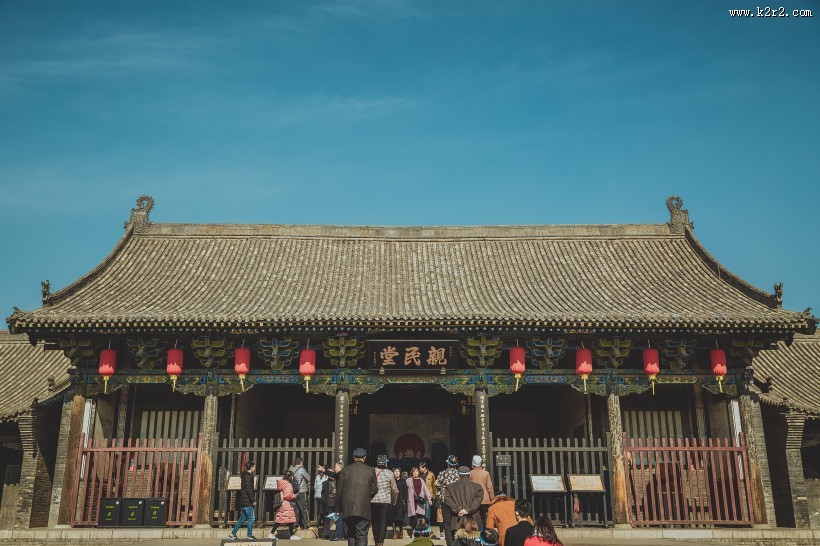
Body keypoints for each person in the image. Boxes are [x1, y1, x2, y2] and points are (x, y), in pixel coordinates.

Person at [336, 447, 378, 546]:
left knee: (351, 534)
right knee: (362, 535)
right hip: (363, 508)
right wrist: (366, 497)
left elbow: (339, 491)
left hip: (347, 508)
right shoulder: (370, 470)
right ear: (365, 457)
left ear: (353, 457)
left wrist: (338, 508)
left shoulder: (345, 470)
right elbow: (374, 490)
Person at [443, 467, 483, 538]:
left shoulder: (450, 487)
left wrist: (459, 509)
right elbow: (477, 502)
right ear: (469, 475)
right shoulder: (478, 487)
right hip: (473, 521)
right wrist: (467, 510)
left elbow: (447, 499)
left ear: (458, 476)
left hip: (457, 520)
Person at [371, 454, 398, 546]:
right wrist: (394, 500)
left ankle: (375, 541)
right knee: (383, 522)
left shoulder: (372, 471)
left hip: (373, 500)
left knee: (374, 522)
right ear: (386, 462)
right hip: (385, 501)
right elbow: (394, 489)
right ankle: (380, 542)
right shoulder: (389, 473)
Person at [435, 455, 460, 546]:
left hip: (445, 500)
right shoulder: (459, 474)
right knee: (457, 521)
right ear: (456, 464)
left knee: (446, 523)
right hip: (456, 501)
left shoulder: (443, 473)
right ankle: (456, 542)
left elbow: (437, 484)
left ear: (448, 464)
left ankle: (449, 543)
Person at [228, 461, 257, 540]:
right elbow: (249, 490)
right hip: (247, 501)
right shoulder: (249, 477)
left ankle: (233, 533)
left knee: (242, 518)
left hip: (243, 501)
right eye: (254, 467)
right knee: (251, 518)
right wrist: (253, 500)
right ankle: (249, 535)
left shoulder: (244, 475)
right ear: (251, 468)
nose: (254, 468)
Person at [268, 471, 301, 540]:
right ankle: (291, 535)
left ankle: (272, 534)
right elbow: (287, 495)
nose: (293, 477)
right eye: (292, 476)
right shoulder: (288, 484)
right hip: (286, 503)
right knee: (288, 519)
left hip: (283, 503)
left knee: (281, 519)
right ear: (289, 477)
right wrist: (295, 496)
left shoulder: (282, 483)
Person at [322, 463, 346, 541]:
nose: (335, 469)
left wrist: (323, 470)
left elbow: (332, 474)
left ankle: (339, 535)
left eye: (335, 467)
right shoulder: (326, 482)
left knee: (338, 519)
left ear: (339, 467)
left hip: (338, 502)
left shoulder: (340, 475)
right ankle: (333, 534)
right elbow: (323, 493)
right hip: (330, 503)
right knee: (331, 519)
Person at [469, 456, 494, 528]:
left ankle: (476, 534)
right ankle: (483, 534)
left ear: (473, 463)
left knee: (474, 518)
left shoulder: (470, 473)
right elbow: (489, 488)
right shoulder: (486, 473)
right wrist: (492, 499)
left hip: (473, 499)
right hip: (484, 499)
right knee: (484, 518)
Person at [406, 466, 431, 534]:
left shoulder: (421, 480)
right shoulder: (408, 480)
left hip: (420, 500)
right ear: (412, 472)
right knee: (413, 517)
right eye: (414, 471)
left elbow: (426, 489)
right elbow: (405, 490)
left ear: (418, 472)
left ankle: (420, 531)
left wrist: (429, 499)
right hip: (412, 501)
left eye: (416, 471)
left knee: (420, 516)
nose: (415, 472)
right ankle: (414, 531)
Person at [292, 457, 312, 531]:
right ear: (300, 462)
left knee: (296, 509)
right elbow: (309, 478)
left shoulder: (293, 470)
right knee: (304, 508)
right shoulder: (302, 469)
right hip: (302, 491)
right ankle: (306, 524)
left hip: (295, 492)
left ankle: (296, 524)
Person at [419, 461, 437, 535]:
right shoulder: (418, 475)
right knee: (420, 512)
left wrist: (434, 496)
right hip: (420, 495)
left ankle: (428, 527)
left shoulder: (431, 474)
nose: (419, 469)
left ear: (424, 468)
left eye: (420, 468)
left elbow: (433, 486)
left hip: (428, 495)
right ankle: (420, 528)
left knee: (427, 512)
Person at [391, 467, 408, 539]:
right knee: (393, 517)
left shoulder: (403, 481)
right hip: (393, 501)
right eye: (395, 471)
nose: (397, 473)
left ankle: (401, 531)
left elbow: (405, 491)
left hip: (401, 501)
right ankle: (394, 532)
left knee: (400, 517)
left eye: (398, 471)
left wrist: (404, 500)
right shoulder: (392, 481)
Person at [315, 465, 329, 529]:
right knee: (322, 511)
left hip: (317, 496)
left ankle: (319, 523)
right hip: (322, 496)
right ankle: (318, 524)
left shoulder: (317, 477)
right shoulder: (326, 477)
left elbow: (315, 486)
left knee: (320, 509)